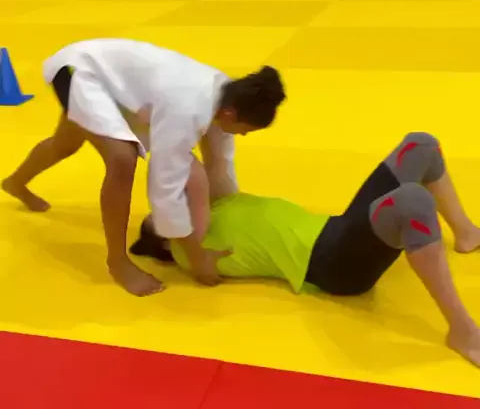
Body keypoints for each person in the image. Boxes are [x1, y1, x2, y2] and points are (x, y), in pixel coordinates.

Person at [131, 132, 480, 367]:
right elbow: (191, 181)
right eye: (160, 217)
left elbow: (204, 165)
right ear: (165, 240)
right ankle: (462, 331)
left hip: (337, 229)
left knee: (420, 145)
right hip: (333, 265)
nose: (170, 205)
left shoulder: (218, 202)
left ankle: (466, 234)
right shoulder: (192, 248)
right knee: (413, 202)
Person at [2, 38, 286, 296]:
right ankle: (118, 262)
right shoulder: (187, 108)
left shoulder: (227, 97)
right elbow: (165, 184)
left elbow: (220, 163)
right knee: (122, 158)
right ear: (231, 114)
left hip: (113, 84)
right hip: (79, 70)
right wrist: (196, 256)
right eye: (246, 129)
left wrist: (228, 208)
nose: (243, 134)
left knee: (65, 144)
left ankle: (15, 183)